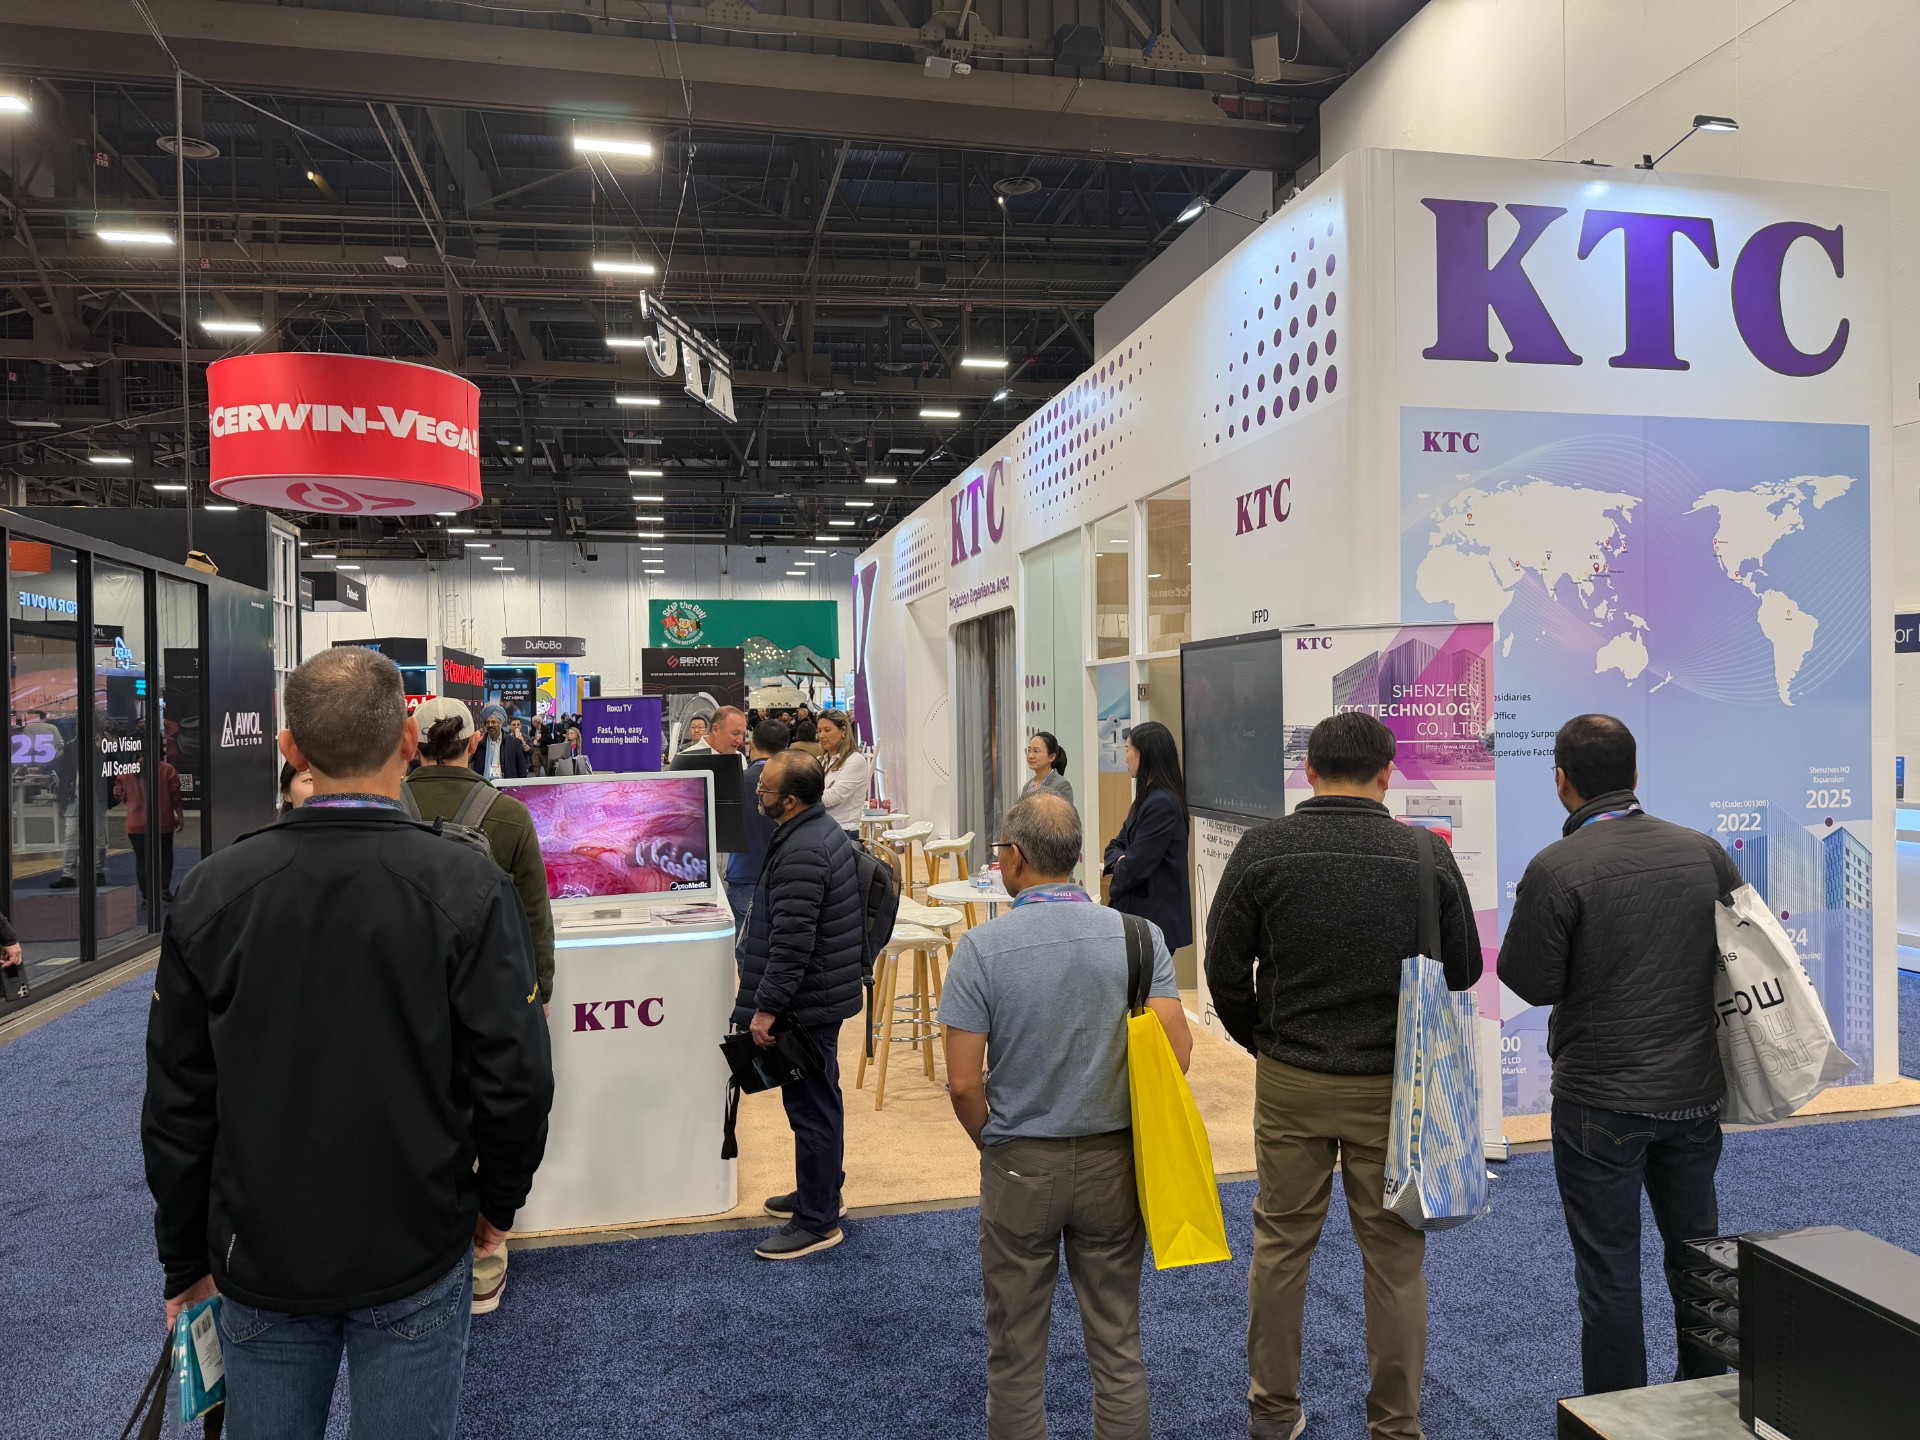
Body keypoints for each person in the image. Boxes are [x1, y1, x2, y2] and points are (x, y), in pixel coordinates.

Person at [142, 645, 553, 1439]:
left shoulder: (212, 891)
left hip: (261, 1250)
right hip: (415, 1240)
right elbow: (517, 1079)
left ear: (289, 748)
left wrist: (183, 1261)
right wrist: (497, 1205)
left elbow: (177, 1101)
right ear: (407, 741)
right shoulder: (467, 887)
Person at [1204, 711, 1483, 1440]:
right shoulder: (1424, 855)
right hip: (1397, 1087)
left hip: (1290, 1077)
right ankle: (1395, 1426)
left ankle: (1272, 1415)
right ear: (1387, 774)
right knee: (1395, 1261)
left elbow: (1222, 969)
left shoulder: (1264, 851)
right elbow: (1464, 971)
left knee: (1280, 1249)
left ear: (1309, 771)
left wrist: (1263, 1040)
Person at [1502, 714, 1742, 1397]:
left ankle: (1617, 1420)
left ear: (1561, 782)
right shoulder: (1703, 852)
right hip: (1694, 1091)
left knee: (1608, 1271)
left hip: (1599, 1102)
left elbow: (1532, 982)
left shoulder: (1555, 868)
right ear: (1635, 775)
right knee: (1700, 1255)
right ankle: (1706, 1398)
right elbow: (1741, 952)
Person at [942, 792, 1191, 1440]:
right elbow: (1177, 1055)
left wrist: (996, 1143)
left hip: (1020, 1161)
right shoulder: (1139, 937)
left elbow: (963, 1083)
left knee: (1015, 1350)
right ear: (1076, 856)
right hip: (1116, 1160)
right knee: (1117, 1340)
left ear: (1015, 858)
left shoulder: (980, 949)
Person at [404, 696, 557, 1315]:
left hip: (405, 996)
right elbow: (533, 917)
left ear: (414, 745)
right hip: (489, 994)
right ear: (474, 744)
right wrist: (538, 993)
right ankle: (485, 1259)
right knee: (492, 1110)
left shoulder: (388, 808)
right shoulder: (508, 815)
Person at [734, 751, 864, 1260]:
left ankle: (817, 1221)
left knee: (810, 1109)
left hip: (807, 1002)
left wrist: (766, 1008)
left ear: (789, 800)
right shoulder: (814, 831)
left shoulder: (804, 849)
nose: (757, 793)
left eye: (765, 788)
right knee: (820, 1100)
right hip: (819, 994)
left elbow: (792, 944)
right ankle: (821, 1192)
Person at [1102, 721, 1191, 951]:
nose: (1125, 758)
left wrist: (1122, 862)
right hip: (1140, 919)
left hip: (1153, 922)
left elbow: (1135, 867)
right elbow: (1113, 846)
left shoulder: (1162, 803)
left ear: (1144, 754)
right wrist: (1121, 859)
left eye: (1128, 750)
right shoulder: (1146, 799)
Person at [727, 718, 791, 927]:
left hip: (745, 874)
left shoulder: (735, 780)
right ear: (786, 749)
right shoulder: (795, 783)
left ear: (752, 744)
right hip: (786, 877)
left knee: (746, 943)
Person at [117, 757, 184, 907]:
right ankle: (164, 888)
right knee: (165, 856)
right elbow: (175, 795)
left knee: (142, 860)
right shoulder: (167, 769)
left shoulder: (126, 771)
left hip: (136, 824)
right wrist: (179, 815)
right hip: (163, 822)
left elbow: (118, 794)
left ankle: (147, 896)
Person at [817, 709, 872, 838]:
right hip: (820, 829)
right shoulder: (821, 760)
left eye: (827, 730)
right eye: (819, 731)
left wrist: (806, 796)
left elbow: (833, 797)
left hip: (843, 832)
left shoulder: (855, 760)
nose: (821, 736)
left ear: (843, 731)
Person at [1021, 731, 1075, 809]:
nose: (1030, 756)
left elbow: (1064, 815)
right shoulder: (1027, 786)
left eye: (1036, 751)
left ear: (1051, 757)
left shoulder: (1061, 785)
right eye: (1029, 750)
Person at [472, 712, 530, 781]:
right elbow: (469, 761)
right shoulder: (480, 742)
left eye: (493, 722)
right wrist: (474, 742)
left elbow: (521, 769)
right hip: (483, 784)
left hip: (506, 784)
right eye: (488, 722)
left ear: (500, 724)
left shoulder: (513, 742)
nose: (490, 725)